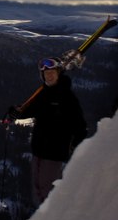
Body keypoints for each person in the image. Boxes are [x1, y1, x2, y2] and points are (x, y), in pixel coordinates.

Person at [8, 58, 87, 208]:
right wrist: (16, 113)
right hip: (38, 149)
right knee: (37, 188)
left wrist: (73, 145)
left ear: (58, 74)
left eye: (51, 73)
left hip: (54, 152)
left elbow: (80, 126)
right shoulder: (44, 94)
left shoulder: (67, 97)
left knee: (48, 191)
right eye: (45, 74)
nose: (48, 76)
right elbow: (30, 110)